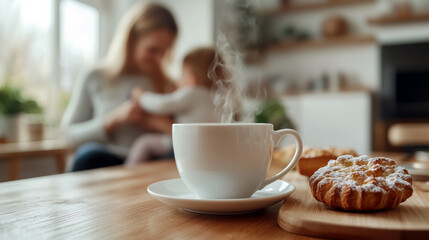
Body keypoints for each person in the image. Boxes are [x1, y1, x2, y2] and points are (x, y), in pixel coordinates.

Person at [61, 2, 178, 171]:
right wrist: (113, 120)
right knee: (88, 155)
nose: (159, 58)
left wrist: (156, 122)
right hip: (105, 162)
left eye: (165, 52)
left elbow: (183, 138)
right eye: (153, 50)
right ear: (132, 39)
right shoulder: (95, 76)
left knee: (175, 154)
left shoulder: (168, 84)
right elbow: (68, 136)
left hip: (150, 162)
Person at [125, 47, 223, 166]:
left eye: (182, 74)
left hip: (184, 146)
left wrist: (141, 96)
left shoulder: (192, 93)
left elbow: (161, 104)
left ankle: (128, 170)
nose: (178, 80)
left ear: (192, 79)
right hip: (206, 149)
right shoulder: (214, 98)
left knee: (144, 143)